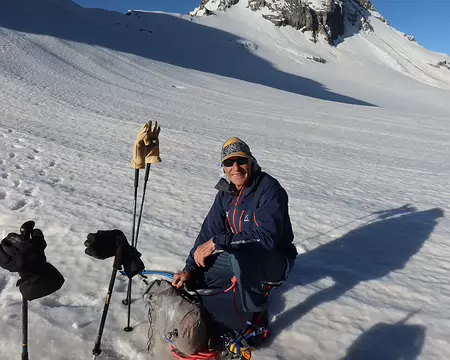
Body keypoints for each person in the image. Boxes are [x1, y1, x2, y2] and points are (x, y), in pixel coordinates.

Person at [172, 137, 297, 329]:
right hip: (238, 254)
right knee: (196, 278)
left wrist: (218, 242)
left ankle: (256, 319)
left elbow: (267, 239)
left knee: (243, 258)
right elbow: (208, 233)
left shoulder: (269, 190)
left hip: (275, 260)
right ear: (223, 167)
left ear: (251, 161)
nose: (236, 168)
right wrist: (189, 269)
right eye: (229, 162)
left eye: (241, 160)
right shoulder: (225, 193)